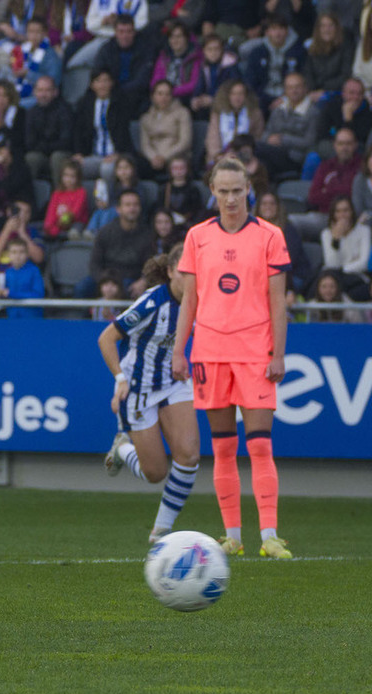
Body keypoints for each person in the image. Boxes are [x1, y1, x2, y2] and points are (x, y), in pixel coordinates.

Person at [172, 157, 294, 559]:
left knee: (260, 445)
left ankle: (270, 536)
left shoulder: (270, 236)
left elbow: (278, 302)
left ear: (248, 190)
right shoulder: (197, 237)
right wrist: (179, 351)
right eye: (223, 191)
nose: (230, 199)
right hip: (209, 353)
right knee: (223, 448)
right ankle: (234, 538)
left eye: (237, 191)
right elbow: (190, 300)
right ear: (212, 191)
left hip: (255, 353)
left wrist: (278, 353)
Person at [99, 244, 200, 543]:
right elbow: (106, 338)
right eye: (183, 271)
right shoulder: (152, 302)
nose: (190, 277)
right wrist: (120, 379)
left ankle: (160, 531)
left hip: (173, 382)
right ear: (170, 272)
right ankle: (122, 449)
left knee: (189, 455)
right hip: (138, 387)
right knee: (155, 473)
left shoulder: (200, 299)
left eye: (194, 272)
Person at [77, 188, 155, 299]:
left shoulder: (147, 235)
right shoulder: (105, 232)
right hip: (105, 277)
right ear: (118, 209)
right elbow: (94, 264)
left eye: (135, 205)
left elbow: (150, 265)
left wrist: (143, 281)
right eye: (127, 205)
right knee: (82, 288)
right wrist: (105, 283)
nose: (132, 208)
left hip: (131, 279)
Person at [321, 195, 372, 301]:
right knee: (326, 285)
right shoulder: (326, 234)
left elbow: (363, 263)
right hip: (335, 278)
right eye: (338, 211)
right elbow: (331, 264)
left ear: (352, 212)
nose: (342, 215)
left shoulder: (364, 231)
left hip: (356, 277)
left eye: (345, 211)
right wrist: (336, 240)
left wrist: (343, 269)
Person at [138, 80, 192, 180]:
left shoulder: (182, 113)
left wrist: (164, 157)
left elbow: (184, 142)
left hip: (175, 155)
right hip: (152, 159)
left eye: (167, 94)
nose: (163, 98)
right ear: (153, 96)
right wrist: (153, 157)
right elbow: (145, 144)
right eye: (160, 94)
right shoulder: (146, 117)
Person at [204, 79, 264, 167]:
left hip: (246, 159)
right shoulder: (217, 114)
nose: (237, 98)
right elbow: (212, 139)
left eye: (240, 94)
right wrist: (219, 156)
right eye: (233, 94)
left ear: (246, 96)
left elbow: (258, 138)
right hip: (220, 157)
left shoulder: (254, 114)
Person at [24, 74, 72, 183]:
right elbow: (29, 142)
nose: (43, 94)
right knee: (31, 158)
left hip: (61, 153)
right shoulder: (31, 113)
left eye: (47, 90)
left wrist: (44, 146)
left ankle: (59, 192)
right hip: (41, 153)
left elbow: (66, 141)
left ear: (55, 92)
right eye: (40, 90)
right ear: (35, 92)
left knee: (57, 157)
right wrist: (45, 147)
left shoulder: (65, 110)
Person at [0, 235, 45, 318]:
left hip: (32, 318)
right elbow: (3, 293)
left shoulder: (34, 271)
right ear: (8, 254)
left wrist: (11, 293)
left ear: (27, 254)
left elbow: (38, 295)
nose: (18, 256)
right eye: (14, 252)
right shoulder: (8, 272)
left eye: (21, 252)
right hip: (12, 318)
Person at [43, 159, 88, 241]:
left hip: (75, 222)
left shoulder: (81, 192)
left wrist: (66, 220)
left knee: (77, 228)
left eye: (72, 176)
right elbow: (51, 211)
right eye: (66, 176)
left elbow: (76, 212)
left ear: (78, 178)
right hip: (59, 224)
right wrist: (49, 225)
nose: (68, 179)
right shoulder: (57, 194)